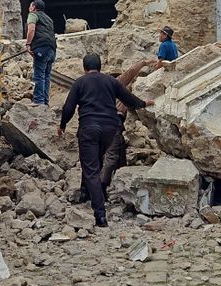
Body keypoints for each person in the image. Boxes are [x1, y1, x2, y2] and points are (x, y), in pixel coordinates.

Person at [58, 53, 153, 227]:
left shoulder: (80, 82)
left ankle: (100, 214)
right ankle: (86, 192)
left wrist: (63, 125)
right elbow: (129, 99)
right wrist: (144, 104)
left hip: (89, 128)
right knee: (97, 163)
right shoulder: (111, 81)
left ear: (84, 67)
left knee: (91, 169)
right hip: (110, 128)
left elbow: (69, 107)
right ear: (100, 66)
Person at [100, 58, 159, 190]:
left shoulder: (103, 90)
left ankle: (121, 171)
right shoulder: (117, 83)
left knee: (118, 148)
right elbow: (131, 71)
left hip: (101, 123)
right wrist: (145, 62)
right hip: (114, 121)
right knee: (111, 154)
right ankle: (102, 184)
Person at [25, 0, 57, 105]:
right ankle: (45, 102)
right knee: (46, 76)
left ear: (34, 7)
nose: (29, 8)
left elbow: (31, 30)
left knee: (39, 75)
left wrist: (28, 44)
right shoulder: (49, 19)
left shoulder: (33, 15)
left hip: (41, 48)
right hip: (52, 49)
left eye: (30, 5)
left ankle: (38, 101)